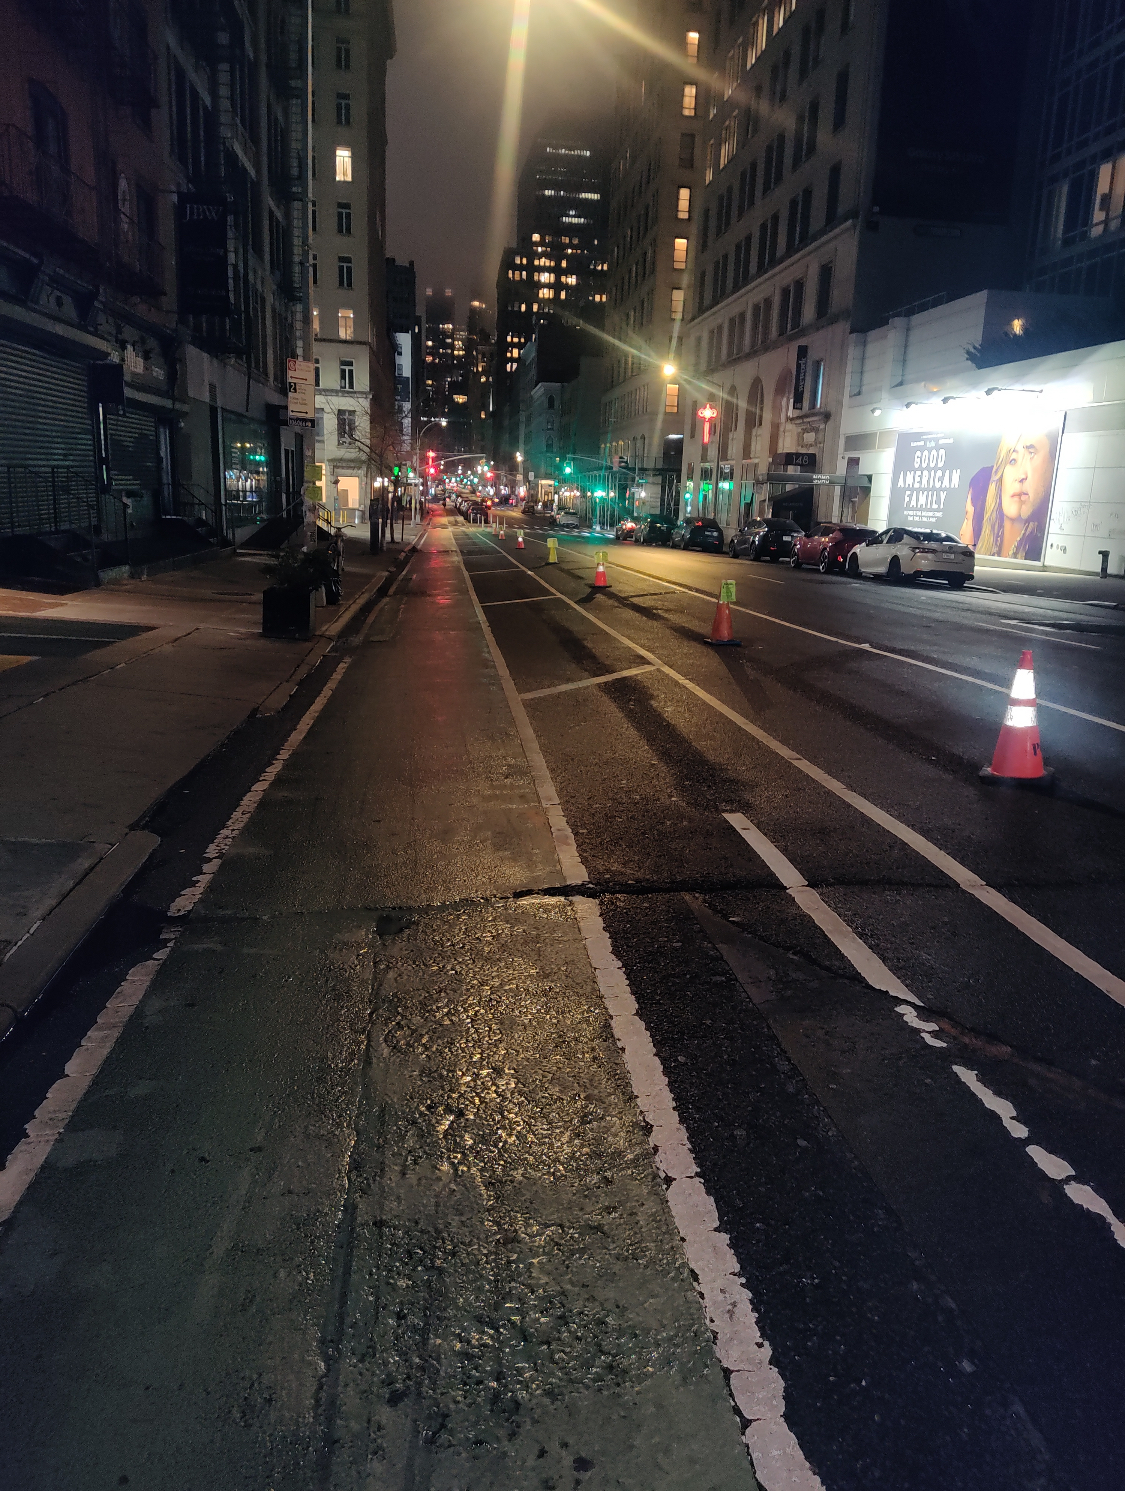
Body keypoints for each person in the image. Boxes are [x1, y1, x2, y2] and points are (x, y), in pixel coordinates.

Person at [974, 428, 1058, 561]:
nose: (1020, 476)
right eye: (1012, 461)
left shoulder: (1039, 552)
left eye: (1031, 454)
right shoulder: (983, 548)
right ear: (1000, 473)